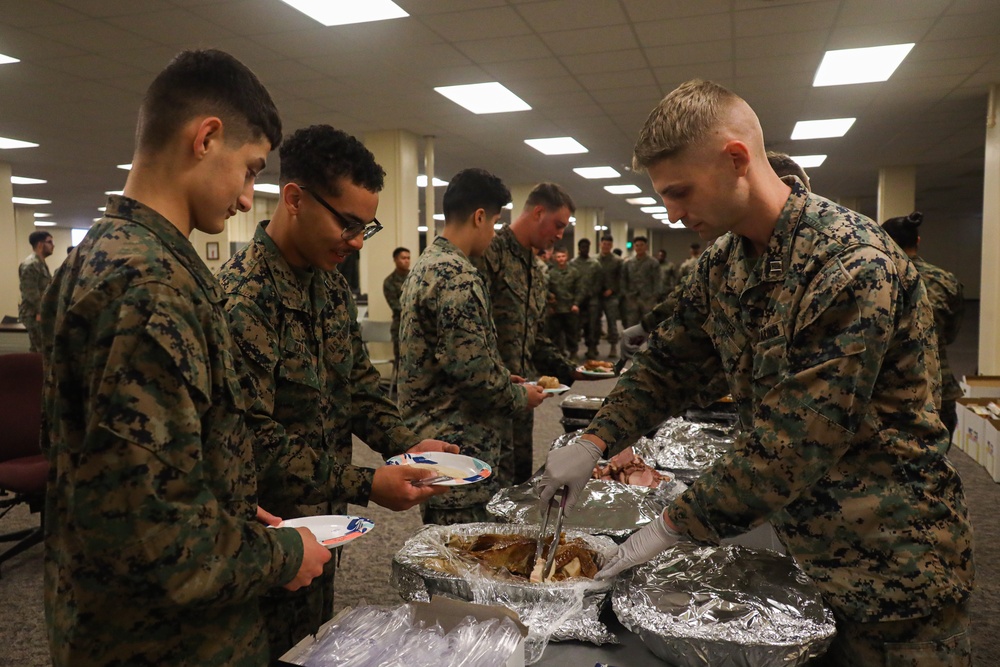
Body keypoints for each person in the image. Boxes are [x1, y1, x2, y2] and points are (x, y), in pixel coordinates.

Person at [538, 79, 974, 665]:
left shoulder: (851, 263)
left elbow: (795, 443)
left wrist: (669, 526)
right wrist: (595, 440)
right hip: (797, 549)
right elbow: (668, 365)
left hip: (890, 563)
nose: (671, 213)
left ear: (736, 159)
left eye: (680, 192)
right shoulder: (725, 262)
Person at [38, 49, 331, 667]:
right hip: (167, 640)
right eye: (249, 171)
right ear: (206, 138)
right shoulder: (153, 287)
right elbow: (160, 539)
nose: (247, 199)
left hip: (101, 614)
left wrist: (228, 499)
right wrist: (284, 555)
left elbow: (116, 467)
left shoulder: (95, 256)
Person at [216, 125, 454, 657]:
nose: (356, 242)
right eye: (347, 224)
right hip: (266, 537)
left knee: (313, 645)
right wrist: (367, 482)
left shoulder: (330, 285)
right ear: (294, 199)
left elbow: (359, 386)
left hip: (325, 526)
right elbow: (251, 440)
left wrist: (406, 447)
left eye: (365, 229)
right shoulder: (244, 298)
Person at [397, 168, 547, 524]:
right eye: (494, 223)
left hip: (437, 439)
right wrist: (520, 397)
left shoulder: (427, 264)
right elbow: (474, 374)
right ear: (479, 217)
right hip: (460, 448)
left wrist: (502, 377)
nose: (494, 233)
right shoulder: (457, 276)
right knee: (464, 552)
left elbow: (458, 357)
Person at [476, 182, 580, 486]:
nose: (560, 235)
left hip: (523, 399)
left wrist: (568, 369)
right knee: (490, 483)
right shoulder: (490, 251)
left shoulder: (535, 268)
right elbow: (473, 331)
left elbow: (533, 335)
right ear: (538, 212)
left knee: (520, 481)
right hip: (489, 399)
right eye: (558, 225)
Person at [883, 211, 965, 445]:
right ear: (917, 241)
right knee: (936, 455)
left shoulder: (878, 278)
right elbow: (951, 333)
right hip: (938, 386)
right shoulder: (945, 279)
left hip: (890, 391)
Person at [18, 230, 53, 352]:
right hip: (34, 315)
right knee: (39, 352)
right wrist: (40, 311)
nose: (53, 245)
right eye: (49, 242)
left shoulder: (40, 263)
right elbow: (30, 293)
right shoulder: (31, 264)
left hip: (41, 314)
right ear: (40, 245)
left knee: (43, 350)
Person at [546, 247, 582, 357]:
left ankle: (573, 353)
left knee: (572, 333)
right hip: (556, 308)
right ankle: (559, 354)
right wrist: (550, 305)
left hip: (570, 307)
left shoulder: (574, 272)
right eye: (558, 257)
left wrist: (576, 304)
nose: (561, 259)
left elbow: (579, 289)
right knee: (556, 334)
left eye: (563, 256)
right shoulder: (551, 273)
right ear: (554, 258)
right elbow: (546, 289)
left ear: (567, 257)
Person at [571, 237, 601, 360]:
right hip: (577, 300)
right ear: (579, 248)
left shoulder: (595, 264)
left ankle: (592, 348)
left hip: (592, 300)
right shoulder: (573, 263)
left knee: (592, 326)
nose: (585, 249)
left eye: (587, 247)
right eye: (583, 247)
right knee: (575, 326)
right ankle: (573, 351)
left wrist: (591, 293)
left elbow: (599, 282)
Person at [621, 236, 659, 328]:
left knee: (648, 324)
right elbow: (623, 280)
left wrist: (654, 296)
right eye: (637, 245)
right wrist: (626, 294)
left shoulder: (653, 262)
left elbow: (657, 280)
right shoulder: (628, 263)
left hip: (648, 298)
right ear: (634, 247)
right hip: (632, 298)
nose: (639, 247)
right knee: (631, 324)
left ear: (646, 247)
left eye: (641, 245)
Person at [383, 246, 411, 366]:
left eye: (408, 258)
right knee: (401, 362)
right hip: (401, 325)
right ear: (395, 259)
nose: (407, 261)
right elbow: (396, 306)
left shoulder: (415, 277)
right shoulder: (390, 281)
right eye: (403, 258)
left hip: (418, 325)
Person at [596, 234, 623, 357]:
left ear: (611, 245)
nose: (606, 246)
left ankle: (613, 347)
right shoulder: (594, 260)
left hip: (611, 296)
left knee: (612, 322)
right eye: (604, 244)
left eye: (608, 244)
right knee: (594, 322)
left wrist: (612, 289)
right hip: (597, 295)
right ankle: (593, 347)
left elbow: (621, 279)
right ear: (600, 244)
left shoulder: (617, 261)